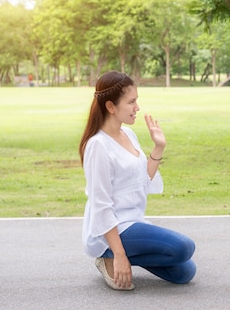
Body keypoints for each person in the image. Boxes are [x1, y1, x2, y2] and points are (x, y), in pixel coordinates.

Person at [79, 71, 196, 290]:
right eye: (131, 102)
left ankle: (117, 260)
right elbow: (101, 206)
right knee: (184, 247)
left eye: (137, 101)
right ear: (111, 107)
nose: (137, 108)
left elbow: (143, 179)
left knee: (186, 272)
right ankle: (110, 256)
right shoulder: (98, 146)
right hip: (112, 229)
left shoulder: (128, 135)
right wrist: (120, 253)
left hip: (134, 221)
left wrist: (159, 147)